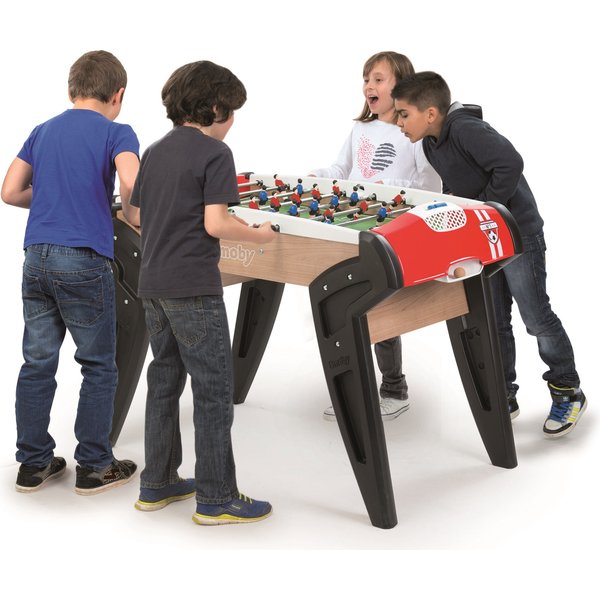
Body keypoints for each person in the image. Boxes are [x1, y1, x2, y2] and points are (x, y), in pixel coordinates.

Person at [391, 71, 586, 438]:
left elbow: (510, 162)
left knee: (536, 317)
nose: (398, 122)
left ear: (430, 113)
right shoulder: (430, 143)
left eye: (403, 114)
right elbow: (459, 185)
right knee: (494, 320)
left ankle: (568, 391)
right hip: (485, 241)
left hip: (518, 234)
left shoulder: (465, 129)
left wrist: (486, 208)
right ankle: (503, 394)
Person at [130, 60, 276, 524]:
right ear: (215, 109)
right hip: (194, 288)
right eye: (232, 112)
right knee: (213, 391)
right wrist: (258, 234)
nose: (232, 122)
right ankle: (217, 497)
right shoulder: (216, 154)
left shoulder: (154, 151)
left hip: (153, 286)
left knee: (164, 383)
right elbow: (216, 223)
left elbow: (136, 216)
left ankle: (157, 484)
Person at [1, 50, 140, 493]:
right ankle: (95, 466)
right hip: (83, 259)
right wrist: (133, 214)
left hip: (36, 257)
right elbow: (131, 181)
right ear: (118, 95)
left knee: (37, 362)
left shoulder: (43, 130)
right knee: (98, 365)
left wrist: (49, 198)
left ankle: (33, 464)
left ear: (71, 90)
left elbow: (9, 191)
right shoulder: (117, 132)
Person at [309, 51, 441, 421]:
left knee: (379, 309)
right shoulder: (360, 130)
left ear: (401, 86)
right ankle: (357, 390)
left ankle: (394, 390)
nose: (369, 85)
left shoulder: (413, 133)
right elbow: (341, 169)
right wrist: (318, 176)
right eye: (367, 79)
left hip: (390, 231)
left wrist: (386, 188)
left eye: (379, 79)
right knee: (346, 306)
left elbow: (430, 184)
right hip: (351, 227)